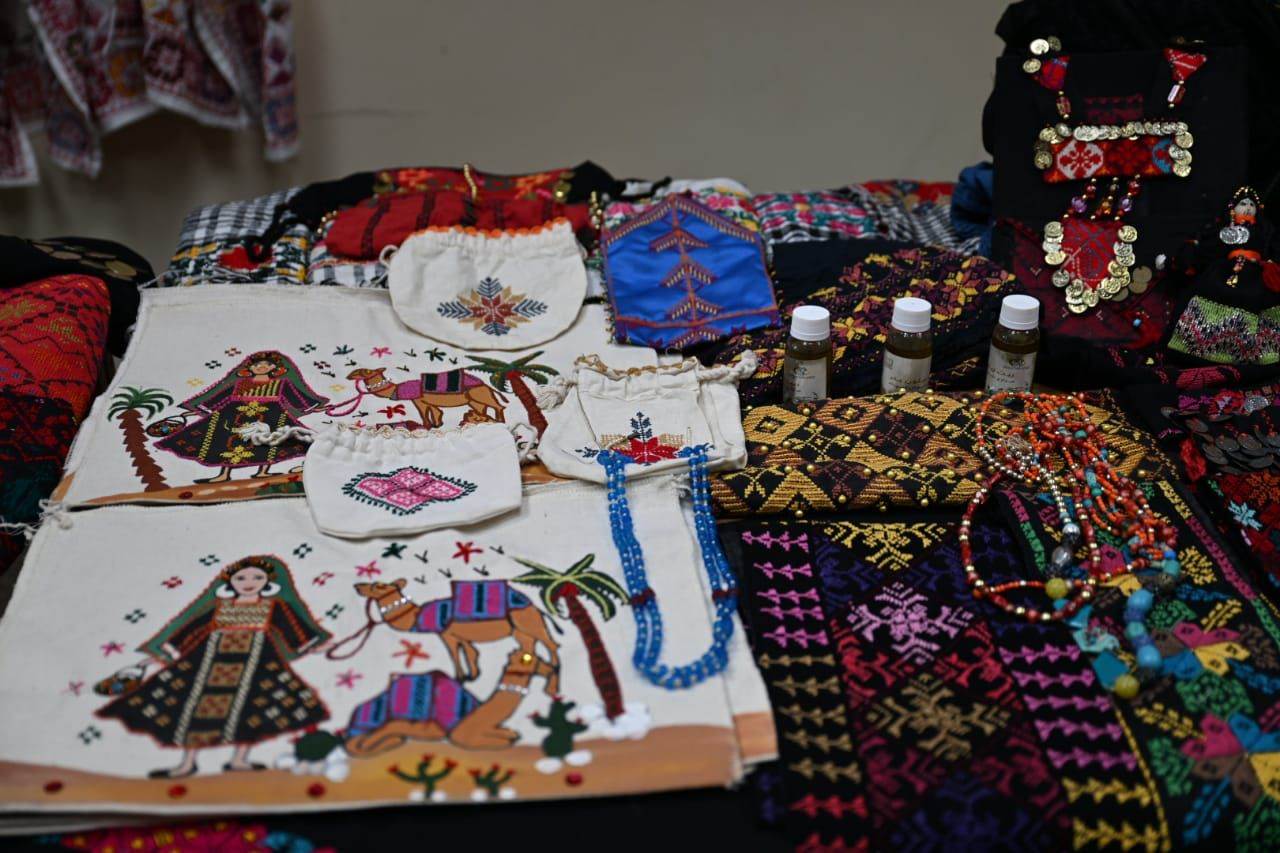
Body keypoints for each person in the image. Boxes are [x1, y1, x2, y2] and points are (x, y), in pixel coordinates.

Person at [97, 555, 333, 778]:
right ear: (230, 581)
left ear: (268, 581)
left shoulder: (275, 606)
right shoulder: (219, 606)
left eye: (257, 577)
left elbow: (295, 632)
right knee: (192, 709)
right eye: (241, 578)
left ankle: (239, 760)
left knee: (254, 709)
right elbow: (189, 632)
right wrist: (156, 658)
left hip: (257, 663)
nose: (249, 582)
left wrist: (317, 646)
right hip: (209, 662)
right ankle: (187, 763)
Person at [155, 350, 328, 483]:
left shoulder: (281, 383)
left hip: (271, 414)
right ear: (249, 368)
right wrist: (193, 411)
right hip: (234, 415)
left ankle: (263, 472)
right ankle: (224, 475)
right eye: (257, 365)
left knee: (273, 441)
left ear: (274, 368)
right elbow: (218, 398)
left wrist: (316, 407)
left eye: (267, 364)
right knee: (225, 441)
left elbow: (297, 398)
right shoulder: (239, 383)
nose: (261, 367)